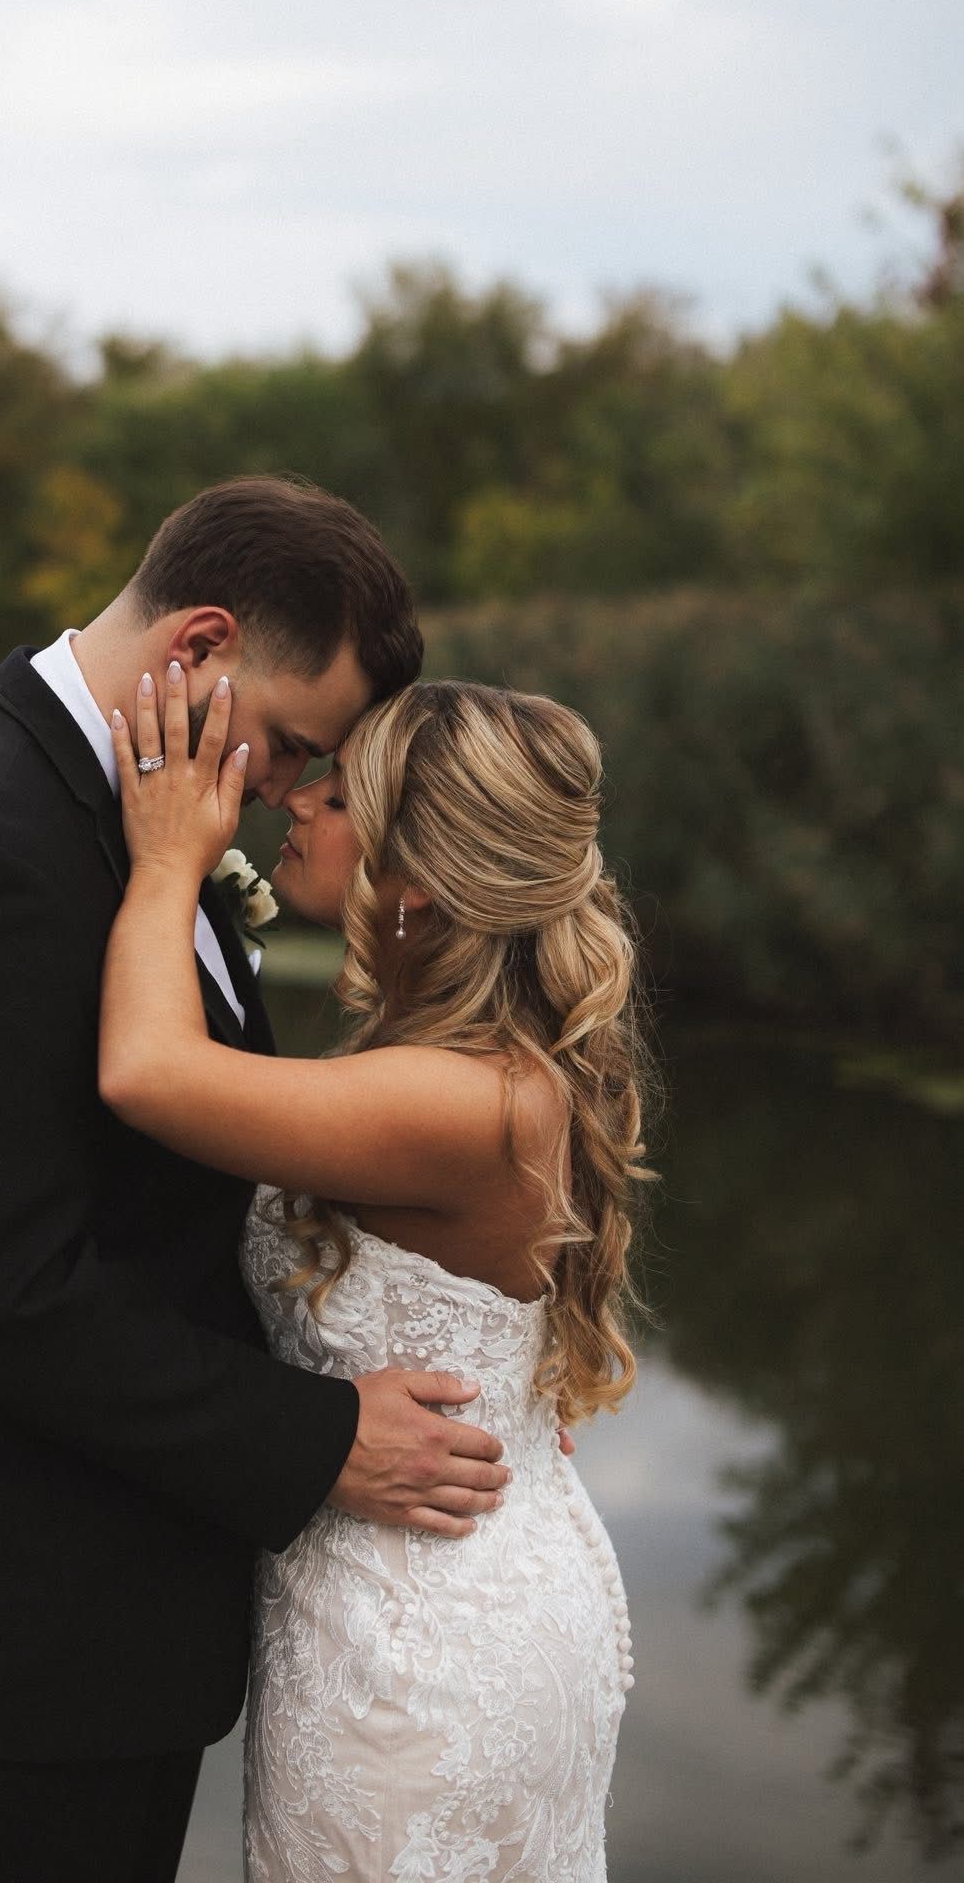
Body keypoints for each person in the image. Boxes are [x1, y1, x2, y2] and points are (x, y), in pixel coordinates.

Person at [0, 476, 519, 1883]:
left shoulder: (137, 816)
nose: (292, 795)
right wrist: (317, 1439)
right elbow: (1, 1293)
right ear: (197, 648)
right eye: (297, 744)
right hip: (4, 1646)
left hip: (100, 1623)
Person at [99, 662, 653, 1880]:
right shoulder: (482, 1068)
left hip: (417, 1644)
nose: (289, 799)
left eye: (336, 794)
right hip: (461, 1570)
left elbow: (143, 1070)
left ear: (415, 873)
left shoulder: (450, 1097)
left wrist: (161, 862)